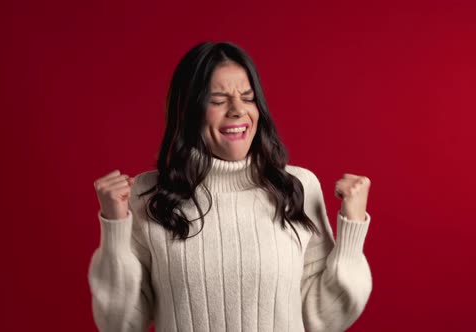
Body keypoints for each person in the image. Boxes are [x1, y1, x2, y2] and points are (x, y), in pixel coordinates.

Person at [88, 41, 373, 332]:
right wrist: (115, 225)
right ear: (189, 110)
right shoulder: (149, 196)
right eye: (218, 100)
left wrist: (352, 225)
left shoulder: (297, 187)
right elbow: (118, 323)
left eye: (247, 98)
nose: (238, 111)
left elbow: (323, 317)